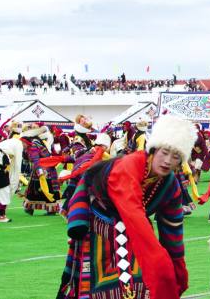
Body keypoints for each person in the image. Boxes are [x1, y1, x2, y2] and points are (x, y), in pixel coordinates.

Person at [56, 115, 196, 299]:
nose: (168, 161)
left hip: (136, 226)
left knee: (140, 285)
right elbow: (133, 214)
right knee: (104, 289)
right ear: (153, 149)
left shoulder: (171, 186)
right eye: (164, 152)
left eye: (176, 156)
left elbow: (173, 230)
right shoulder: (129, 166)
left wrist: (178, 271)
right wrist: (160, 263)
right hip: (100, 225)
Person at [0, 137, 26, 222]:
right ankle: (0, 216)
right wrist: (16, 180)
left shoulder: (11, 142)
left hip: (0, 163)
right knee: (4, 190)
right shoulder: (19, 145)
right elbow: (17, 164)